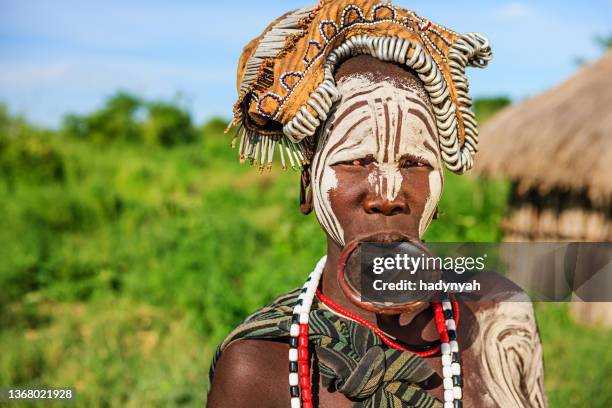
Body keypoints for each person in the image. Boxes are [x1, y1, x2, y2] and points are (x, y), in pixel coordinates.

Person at [208, 1, 545, 407]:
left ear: (438, 197)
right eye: (355, 161)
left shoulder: (499, 318)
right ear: (307, 189)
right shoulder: (258, 364)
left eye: (415, 163)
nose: (388, 194)